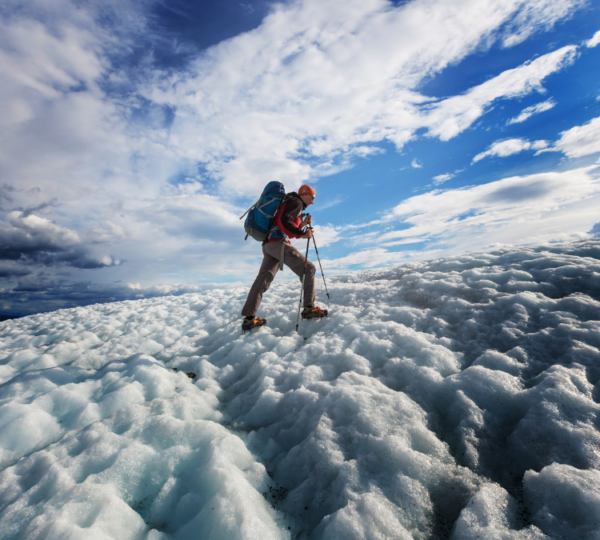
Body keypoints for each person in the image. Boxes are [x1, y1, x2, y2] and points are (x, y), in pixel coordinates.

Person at [241, 184, 328, 331]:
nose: (313, 202)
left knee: (262, 280)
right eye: (312, 198)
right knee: (309, 269)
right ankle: (308, 309)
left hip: (269, 245)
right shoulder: (296, 202)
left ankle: (249, 319)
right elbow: (284, 222)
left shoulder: (288, 202)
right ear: (304, 194)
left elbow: (284, 223)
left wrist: (303, 224)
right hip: (278, 244)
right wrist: (302, 234)